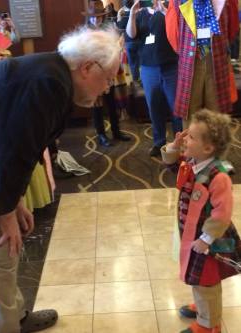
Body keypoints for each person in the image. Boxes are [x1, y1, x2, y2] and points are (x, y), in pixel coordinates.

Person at [0, 27, 121, 333]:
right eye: (109, 77)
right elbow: (11, 153)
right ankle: (6, 325)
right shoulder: (47, 82)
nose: (108, 88)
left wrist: (16, 199)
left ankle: (16, 316)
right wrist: (5, 211)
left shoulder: (52, 74)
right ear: (88, 67)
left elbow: (25, 147)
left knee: (4, 256)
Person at [161, 109, 241, 333]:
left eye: (191, 137)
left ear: (208, 148)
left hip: (210, 242)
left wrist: (206, 239)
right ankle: (204, 308)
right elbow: (170, 165)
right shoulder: (193, 162)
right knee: (198, 278)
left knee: (208, 282)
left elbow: (222, 213)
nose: (185, 138)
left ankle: (209, 325)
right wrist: (175, 147)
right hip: (192, 234)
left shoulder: (219, 176)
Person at [165, 0, 239, 121]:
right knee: (190, 114)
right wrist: (186, 52)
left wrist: (219, 47)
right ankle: (191, 139)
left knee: (217, 116)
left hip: (216, 62)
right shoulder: (177, 1)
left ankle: (214, 140)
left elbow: (232, 28)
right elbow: (173, 32)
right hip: (190, 64)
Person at [126, 0, 183, 156]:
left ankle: (181, 142)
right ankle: (159, 142)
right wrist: (131, 14)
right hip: (148, 68)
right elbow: (131, 34)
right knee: (154, 107)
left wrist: (165, 11)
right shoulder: (140, 13)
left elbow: (181, 28)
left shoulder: (171, 7)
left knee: (176, 107)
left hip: (171, 65)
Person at [82, 0, 131, 147]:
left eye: (99, 16)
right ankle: (101, 135)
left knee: (112, 104)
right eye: (94, 17)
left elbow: (115, 46)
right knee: (97, 106)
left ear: (103, 16)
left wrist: (118, 45)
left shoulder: (109, 28)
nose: (96, 19)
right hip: (94, 74)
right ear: (89, 17)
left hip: (110, 73)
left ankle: (116, 132)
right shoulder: (85, 31)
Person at [117, 0, 141, 83]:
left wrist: (118, 16)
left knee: (132, 63)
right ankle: (141, 79)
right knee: (140, 62)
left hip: (129, 43)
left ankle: (135, 80)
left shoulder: (123, 16)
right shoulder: (138, 14)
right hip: (139, 41)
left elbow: (120, 28)